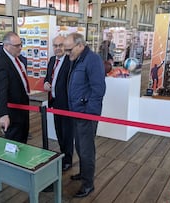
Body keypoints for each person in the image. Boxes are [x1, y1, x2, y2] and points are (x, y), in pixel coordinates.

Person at [64, 32, 106, 198]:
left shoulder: (92, 60)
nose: (67, 53)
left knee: (86, 149)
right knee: (80, 146)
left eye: (69, 49)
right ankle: (83, 173)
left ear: (80, 45)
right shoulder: (77, 59)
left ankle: (88, 184)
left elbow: (98, 90)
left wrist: (89, 114)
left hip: (86, 115)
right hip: (77, 112)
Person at [0, 31, 30, 143]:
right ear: (6, 46)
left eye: (21, 44)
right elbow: (1, 90)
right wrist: (3, 114)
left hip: (22, 107)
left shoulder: (16, 57)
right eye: (17, 46)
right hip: (13, 112)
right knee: (14, 142)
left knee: (23, 140)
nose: (20, 48)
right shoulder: (1, 63)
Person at [43, 35, 73, 172]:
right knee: (59, 131)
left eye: (60, 45)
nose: (57, 48)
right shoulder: (52, 60)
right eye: (55, 46)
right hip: (54, 102)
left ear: (65, 46)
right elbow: (48, 76)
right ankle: (63, 154)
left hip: (66, 104)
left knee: (67, 133)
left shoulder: (70, 61)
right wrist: (45, 83)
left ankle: (68, 160)